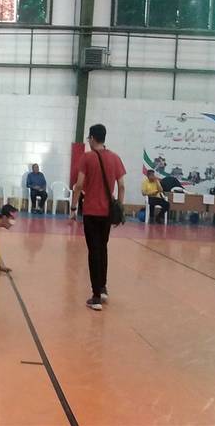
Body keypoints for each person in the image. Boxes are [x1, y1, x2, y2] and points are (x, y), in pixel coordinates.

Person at [70, 124, 126, 311]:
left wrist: (73, 207)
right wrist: (119, 206)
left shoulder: (87, 158)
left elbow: (79, 185)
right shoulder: (115, 158)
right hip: (107, 213)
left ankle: (95, 297)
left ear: (93, 138)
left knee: (93, 251)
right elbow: (122, 185)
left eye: (89, 138)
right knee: (102, 248)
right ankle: (103, 288)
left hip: (91, 212)